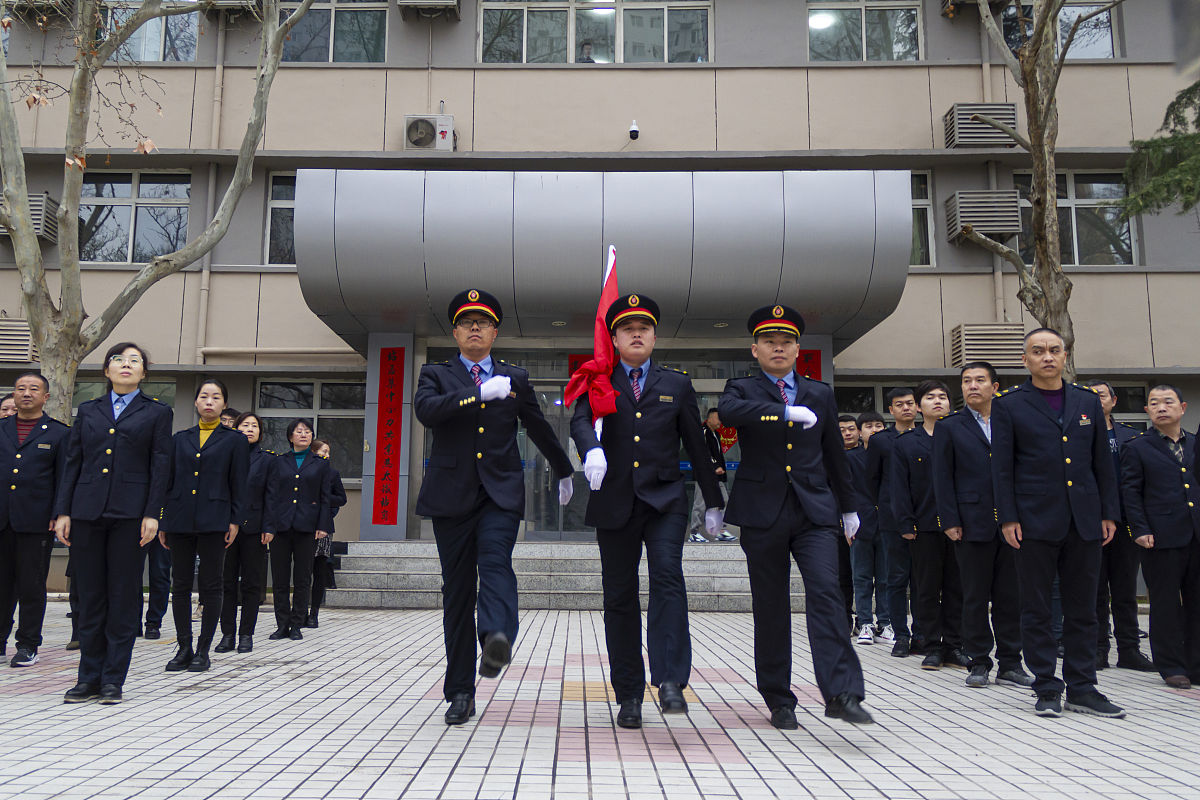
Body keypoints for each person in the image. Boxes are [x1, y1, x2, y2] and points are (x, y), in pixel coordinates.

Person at [416, 288, 574, 726]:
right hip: (451, 498)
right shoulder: (436, 373)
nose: (474, 328)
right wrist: (479, 393)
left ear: (494, 331)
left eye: (482, 322)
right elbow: (427, 411)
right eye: (467, 322)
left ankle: (496, 637)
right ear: (455, 331)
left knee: (496, 560)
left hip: (500, 494)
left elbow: (538, 426)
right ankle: (461, 691)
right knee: (458, 591)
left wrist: (564, 470)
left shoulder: (516, 377)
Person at [572, 294, 725, 730]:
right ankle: (628, 694)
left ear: (655, 336)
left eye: (644, 328)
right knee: (619, 598)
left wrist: (713, 500)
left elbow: (696, 445)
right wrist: (591, 450)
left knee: (667, 579)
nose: (636, 334)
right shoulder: (598, 377)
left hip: (664, 502)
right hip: (614, 501)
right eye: (627, 328)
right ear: (615, 337)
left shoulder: (675, 384)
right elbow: (581, 420)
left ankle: (671, 680)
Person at [718, 304, 871, 730]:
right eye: (770, 341)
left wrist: (849, 506)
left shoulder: (819, 392)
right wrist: (780, 412)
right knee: (771, 607)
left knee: (827, 594)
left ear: (798, 348)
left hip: (814, 511)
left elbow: (834, 455)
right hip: (762, 511)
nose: (778, 348)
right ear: (755, 349)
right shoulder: (741, 389)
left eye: (786, 342)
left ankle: (842, 692)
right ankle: (778, 697)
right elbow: (729, 414)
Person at [992, 328, 1124, 719]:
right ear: (1025, 360)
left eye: (1054, 350)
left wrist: (1107, 512)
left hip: (1084, 520)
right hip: (1032, 520)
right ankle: (1047, 685)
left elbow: (1103, 463)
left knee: (1084, 608)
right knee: (1036, 608)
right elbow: (1002, 468)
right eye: (1038, 351)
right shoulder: (1009, 404)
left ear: (1065, 356)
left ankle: (1083, 687)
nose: (1047, 357)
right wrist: (1009, 517)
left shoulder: (1085, 401)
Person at [55, 342, 173, 705]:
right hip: (87, 512)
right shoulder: (89, 410)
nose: (126, 365)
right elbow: (73, 462)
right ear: (106, 370)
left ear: (143, 373)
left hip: (131, 515)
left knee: (122, 598)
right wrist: (63, 511)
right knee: (90, 598)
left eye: (134, 361)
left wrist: (153, 513)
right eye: (118, 360)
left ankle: (112, 679)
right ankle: (87, 677)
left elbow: (161, 465)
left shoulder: (156, 412)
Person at [933, 362, 1032, 689]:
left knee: (1011, 596)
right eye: (966, 381)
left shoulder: (1013, 422)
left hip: (1012, 522)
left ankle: (1011, 662)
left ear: (995, 386)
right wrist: (949, 520)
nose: (972, 386)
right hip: (970, 522)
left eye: (979, 380)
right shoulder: (951, 426)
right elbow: (942, 477)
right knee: (974, 595)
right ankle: (978, 661)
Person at [159, 379, 248, 673]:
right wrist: (163, 519)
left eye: (216, 397)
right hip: (180, 519)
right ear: (196, 402)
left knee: (211, 585)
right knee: (180, 585)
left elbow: (239, 484)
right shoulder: (180, 439)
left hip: (215, 519)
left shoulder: (235, 440)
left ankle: (203, 649)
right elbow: (167, 482)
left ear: (224, 404)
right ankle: (183, 646)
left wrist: (235, 520)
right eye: (204, 396)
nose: (209, 401)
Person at [1120, 385, 1198, 688]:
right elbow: (1131, 492)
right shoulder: (1137, 447)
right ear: (1147, 412)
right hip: (1160, 536)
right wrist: (1139, 529)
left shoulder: (1194, 443)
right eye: (1154, 403)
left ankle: (1196, 663)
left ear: (1183, 407)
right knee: (1165, 603)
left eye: (1168, 402)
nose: (1161, 407)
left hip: (1196, 533)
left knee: (1196, 602)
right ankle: (1171, 665)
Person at [892, 380, 967, 671]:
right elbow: (899, 488)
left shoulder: (962, 437)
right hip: (923, 526)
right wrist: (905, 522)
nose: (937, 402)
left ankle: (954, 645)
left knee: (957, 588)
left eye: (943, 397)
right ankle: (931, 645)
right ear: (919, 405)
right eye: (930, 397)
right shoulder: (906, 443)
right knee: (926, 589)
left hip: (960, 526)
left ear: (951, 404)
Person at [1084, 379, 1155, 672]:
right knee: (1095, 590)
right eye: (1090, 397)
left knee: (1125, 590)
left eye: (1101, 395)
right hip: (1090, 522)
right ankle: (1099, 648)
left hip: (1126, 521)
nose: (1097, 400)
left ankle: (1129, 649)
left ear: (1113, 401)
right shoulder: (1077, 436)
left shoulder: (1132, 437)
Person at [0, 372, 69, 667]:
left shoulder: (58, 433)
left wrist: (59, 513)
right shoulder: (1, 428)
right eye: (20, 389)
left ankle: (28, 644)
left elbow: (64, 480)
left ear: (46, 397)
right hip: (2, 519)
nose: (26, 393)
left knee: (31, 586)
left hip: (36, 522)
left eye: (33, 389)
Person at [262, 418, 335, 642]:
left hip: (308, 527)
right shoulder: (278, 461)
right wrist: (268, 526)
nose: (303, 434)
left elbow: (325, 498)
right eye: (299, 431)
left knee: (303, 577)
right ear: (290, 436)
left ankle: (297, 623)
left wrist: (323, 525)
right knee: (280, 577)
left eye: (307, 431)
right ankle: (281, 624)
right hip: (280, 527)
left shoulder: (320, 463)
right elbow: (271, 496)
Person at [867, 387, 921, 657]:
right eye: (899, 404)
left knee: (924, 581)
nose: (906, 408)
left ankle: (924, 634)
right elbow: (872, 480)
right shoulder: (880, 441)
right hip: (891, 519)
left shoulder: (929, 436)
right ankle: (901, 634)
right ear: (891, 410)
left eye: (910, 403)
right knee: (896, 578)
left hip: (925, 516)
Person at [215, 412, 273, 654]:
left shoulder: (268, 460)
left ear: (260, 432)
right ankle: (227, 634)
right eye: (245, 425)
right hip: (225, 528)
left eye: (254, 426)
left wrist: (269, 527)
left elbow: (272, 496)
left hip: (254, 529)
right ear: (235, 428)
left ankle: (246, 634)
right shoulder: (223, 455)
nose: (249, 429)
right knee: (225, 583)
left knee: (251, 584)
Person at [847, 410, 892, 645]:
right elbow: (844, 492)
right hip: (859, 525)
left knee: (886, 578)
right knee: (862, 577)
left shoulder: (892, 454)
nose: (874, 430)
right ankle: (865, 622)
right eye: (868, 426)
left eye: (879, 425)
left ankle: (885, 623)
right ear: (860, 432)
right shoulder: (850, 457)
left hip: (887, 524)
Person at [306, 438, 347, 629]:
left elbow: (341, 499)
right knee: (302, 572)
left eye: (328, 452)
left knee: (319, 571)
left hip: (323, 528)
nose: (327, 455)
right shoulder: (303, 472)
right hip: (302, 526)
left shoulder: (332, 474)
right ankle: (299, 612)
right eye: (324, 451)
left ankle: (314, 612)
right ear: (313, 452)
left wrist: (322, 499)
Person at [688, 409, 735, 543]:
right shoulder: (703, 432)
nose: (720, 422)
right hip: (704, 475)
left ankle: (720, 531)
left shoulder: (716, 435)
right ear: (709, 419)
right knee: (700, 504)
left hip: (716, 477)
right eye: (718, 418)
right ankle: (694, 532)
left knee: (723, 501)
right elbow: (703, 453)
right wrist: (714, 467)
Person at [834, 416, 860, 631]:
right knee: (842, 574)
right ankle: (844, 618)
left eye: (851, 429)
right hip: (836, 524)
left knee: (862, 575)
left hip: (865, 522)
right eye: (842, 430)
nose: (847, 433)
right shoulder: (829, 458)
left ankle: (865, 619)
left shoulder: (868, 456)